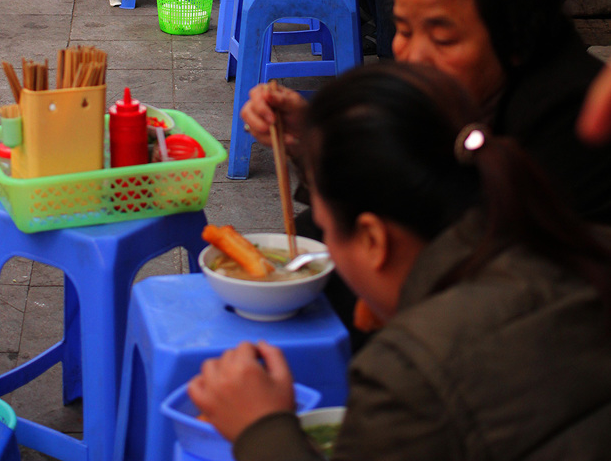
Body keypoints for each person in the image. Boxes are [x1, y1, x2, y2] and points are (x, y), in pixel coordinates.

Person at [190, 62, 611, 459]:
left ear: (373, 238)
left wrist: (261, 427)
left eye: (326, 228)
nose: (416, 52)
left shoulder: (407, 373)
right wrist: (322, 146)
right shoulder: (568, 243)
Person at [242, 0, 611, 224]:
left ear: (516, 32)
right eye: (402, 29)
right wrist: (310, 141)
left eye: (443, 38)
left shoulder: (572, 127)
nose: (414, 56)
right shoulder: (460, 90)